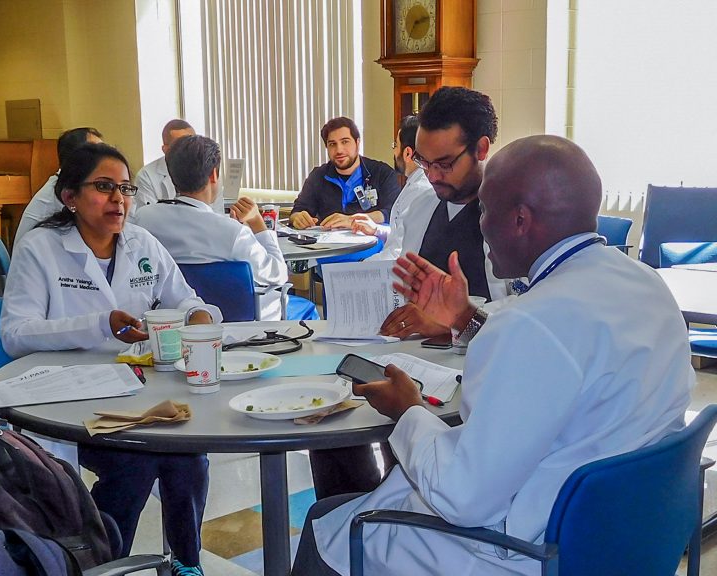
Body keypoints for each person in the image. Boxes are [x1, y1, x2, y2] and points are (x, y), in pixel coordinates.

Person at [291, 135, 695, 576]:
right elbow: (568, 363)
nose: (480, 226)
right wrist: (465, 319)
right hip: (628, 533)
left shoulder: (531, 321)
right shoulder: (647, 284)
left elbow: (463, 498)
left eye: (485, 210)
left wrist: (406, 411)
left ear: (520, 219)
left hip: (528, 552)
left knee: (327, 524)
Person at [0, 142, 220, 576]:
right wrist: (100, 323)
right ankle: (98, 564)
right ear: (69, 196)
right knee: (134, 463)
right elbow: (15, 335)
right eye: (103, 187)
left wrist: (197, 315)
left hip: (137, 393)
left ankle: (186, 565)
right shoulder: (41, 248)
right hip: (66, 399)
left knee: (188, 457)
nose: (118, 199)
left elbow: (189, 299)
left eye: (125, 188)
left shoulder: (142, 242)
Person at [376, 87, 509, 341]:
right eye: (424, 161)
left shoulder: (512, 217)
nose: (433, 175)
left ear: (481, 149)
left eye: (445, 164)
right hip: (417, 354)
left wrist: (452, 323)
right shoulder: (421, 207)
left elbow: (528, 311)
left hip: (484, 358)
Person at [131, 135, 289, 320]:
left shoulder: (144, 218)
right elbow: (277, 274)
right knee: (307, 309)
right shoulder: (233, 232)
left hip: (170, 323)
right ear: (214, 174)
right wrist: (258, 224)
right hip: (239, 326)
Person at [289, 116, 400, 230]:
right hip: (328, 245)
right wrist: (298, 218)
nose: (339, 150)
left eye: (345, 142)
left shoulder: (382, 173)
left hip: (373, 244)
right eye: (332, 144)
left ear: (357, 143)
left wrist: (352, 220)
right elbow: (297, 210)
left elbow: (393, 212)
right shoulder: (318, 176)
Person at [350, 115, 434, 255]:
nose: (394, 152)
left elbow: (399, 251)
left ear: (407, 153)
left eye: (395, 145)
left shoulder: (419, 190)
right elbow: (402, 233)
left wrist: (363, 267)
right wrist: (377, 230)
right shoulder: (415, 183)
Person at [14, 126, 104, 243]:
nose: (105, 158)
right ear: (77, 157)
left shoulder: (63, 182)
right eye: (97, 152)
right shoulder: (63, 193)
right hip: (38, 258)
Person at [134, 119, 224, 214]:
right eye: (181, 145)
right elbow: (147, 218)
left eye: (192, 143)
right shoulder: (147, 176)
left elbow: (218, 216)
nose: (188, 149)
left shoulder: (210, 171)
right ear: (165, 150)